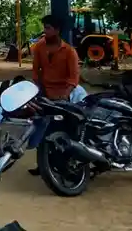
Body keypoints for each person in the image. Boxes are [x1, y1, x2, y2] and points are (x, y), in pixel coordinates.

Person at [28, 14, 81, 175]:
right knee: (43, 129)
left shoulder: (70, 52)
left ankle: (66, 162)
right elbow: (36, 72)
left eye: (48, 28)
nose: (45, 31)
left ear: (57, 30)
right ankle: (43, 165)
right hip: (45, 94)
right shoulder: (38, 47)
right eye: (44, 28)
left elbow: (74, 78)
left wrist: (65, 95)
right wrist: (38, 90)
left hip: (63, 96)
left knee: (64, 130)